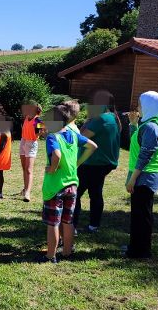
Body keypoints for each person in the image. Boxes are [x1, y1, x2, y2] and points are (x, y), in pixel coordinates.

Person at [38, 105, 98, 263]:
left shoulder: (53, 137)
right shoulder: (73, 133)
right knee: (68, 221)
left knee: (53, 224)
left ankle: (50, 256)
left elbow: (56, 155)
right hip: (72, 184)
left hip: (56, 187)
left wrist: (52, 168)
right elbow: (93, 146)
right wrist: (78, 163)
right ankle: (67, 252)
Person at [124, 91, 158, 259]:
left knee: (141, 216)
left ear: (151, 107)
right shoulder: (155, 123)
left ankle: (140, 251)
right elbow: (137, 143)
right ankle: (136, 247)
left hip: (145, 176)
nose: (137, 107)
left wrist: (133, 179)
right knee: (141, 214)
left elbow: (146, 153)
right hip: (147, 175)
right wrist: (133, 124)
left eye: (141, 104)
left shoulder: (151, 126)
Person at [73, 90, 121, 234]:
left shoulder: (100, 119)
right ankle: (94, 225)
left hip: (92, 163)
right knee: (95, 193)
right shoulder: (113, 117)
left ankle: (71, 225)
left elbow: (80, 137)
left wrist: (88, 120)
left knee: (75, 192)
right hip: (104, 163)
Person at [19, 101, 43, 202]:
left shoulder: (38, 120)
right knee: (24, 168)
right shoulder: (26, 118)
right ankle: (25, 189)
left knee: (29, 169)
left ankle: (28, 193)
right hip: (23, 141)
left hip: (31, 143)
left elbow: (40, 132)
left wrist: (37, 132)